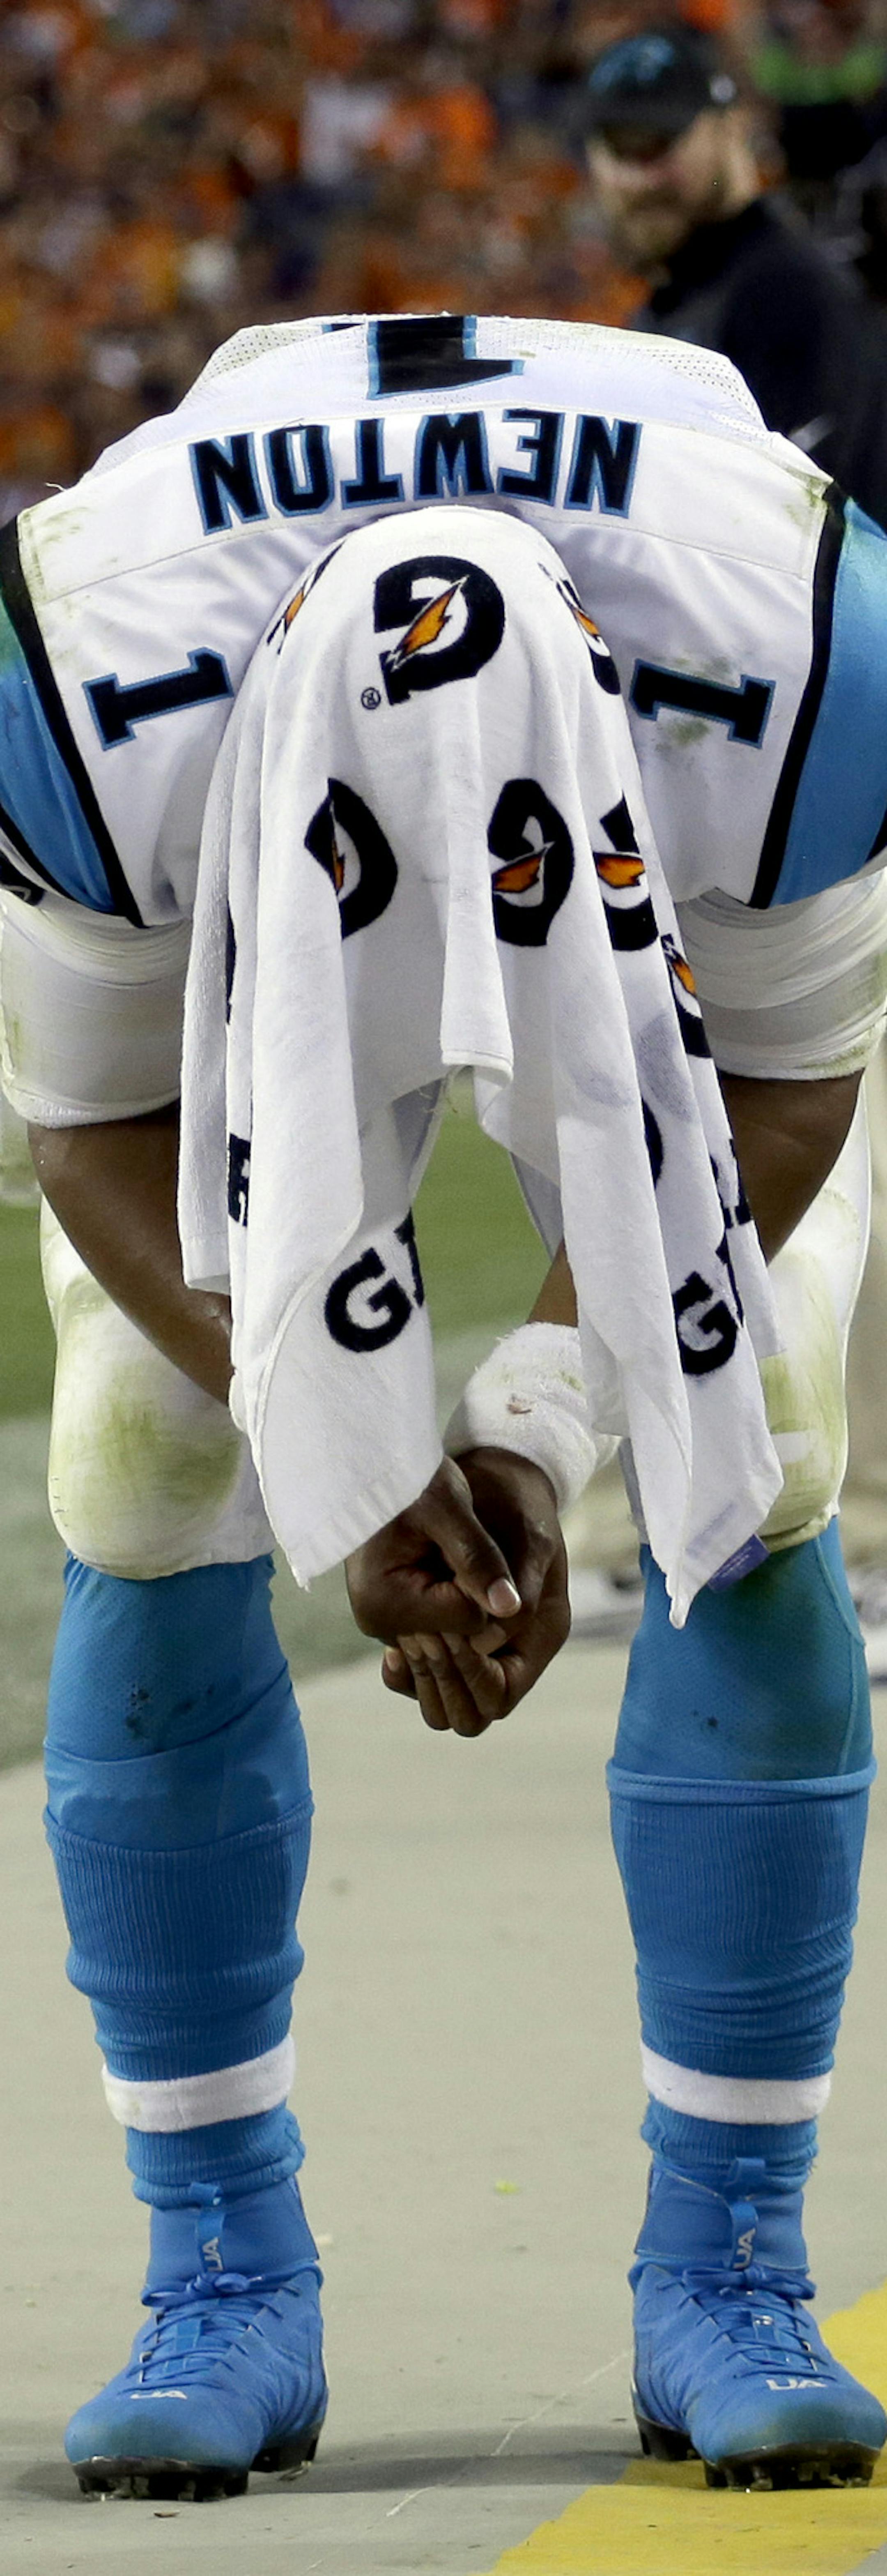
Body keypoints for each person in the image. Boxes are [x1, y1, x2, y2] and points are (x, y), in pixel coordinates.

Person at [3, 310, 887, 2500]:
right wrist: (343, 1449)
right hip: (236, 877)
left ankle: (732, 2263)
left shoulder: (796, 645)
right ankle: (221, 2268)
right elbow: (97, 1120)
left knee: (755, 1442)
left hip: (664, 864)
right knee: (143, 1465)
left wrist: (541, 1423)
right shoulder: (92, 669)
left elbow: (771, 1091)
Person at [582, 19, 887, 527]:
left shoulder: (785, 290)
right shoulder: (675, 307)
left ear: (732, 129)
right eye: (619, 147)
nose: (638, 178)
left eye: (659, 144)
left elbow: (799, 539)